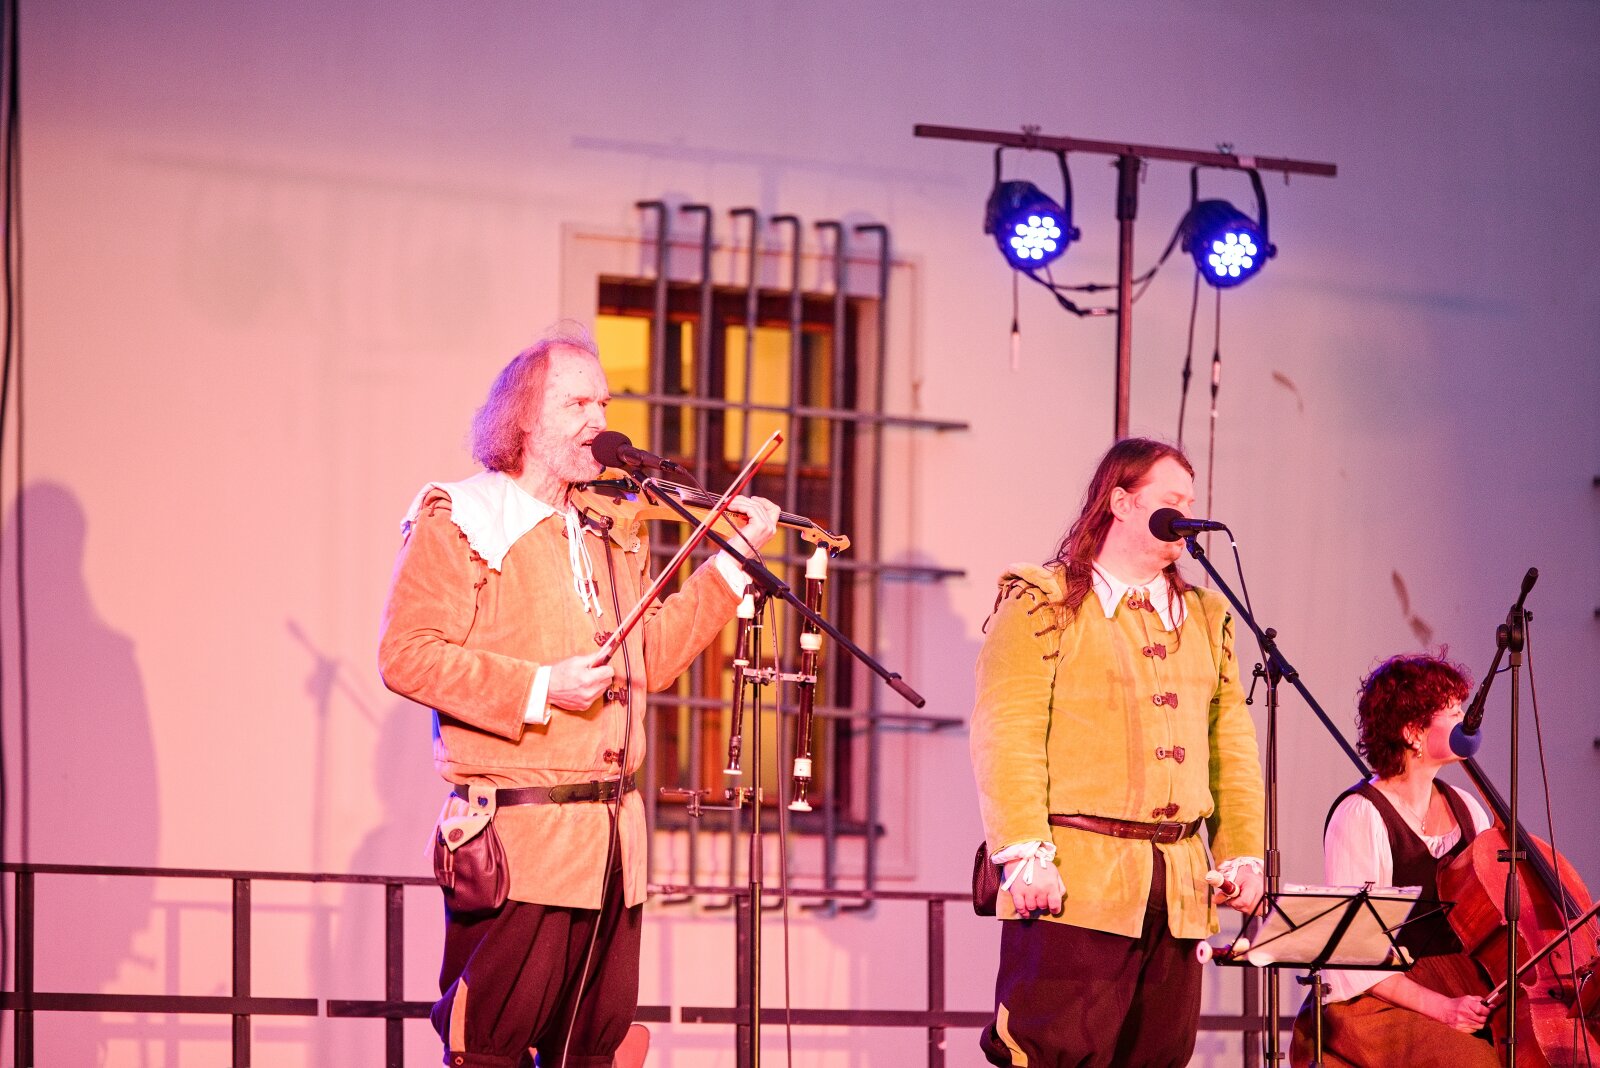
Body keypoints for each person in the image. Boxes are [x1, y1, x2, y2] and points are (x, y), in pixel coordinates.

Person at [378, 323, 779, 1068]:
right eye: (577, 405)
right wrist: (541, 687)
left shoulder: (605, 530)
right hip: (519, 845)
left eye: (603, 403)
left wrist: (732, 566)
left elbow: (650, 658)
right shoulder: (461, 517)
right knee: (489, 1047)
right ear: (524, 419)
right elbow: (407, 657)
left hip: (613, 849)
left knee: (594, 1054)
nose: (599, 421)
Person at [970, 436, 1266, 1068]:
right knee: (1055, 1053)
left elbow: (1231, 745)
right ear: (1122, 503)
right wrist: (1023, 853)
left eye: (1191, 503)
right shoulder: (1043, 601)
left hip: (1179, 889)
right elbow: (1008, 732)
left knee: (1158, 1057)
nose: (1187, 514)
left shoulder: (1204, 616)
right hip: (1077, 884)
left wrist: (1242, 851)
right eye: (1172, 500)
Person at [1289, 654, 1498, 1068]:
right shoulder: (1361, 814)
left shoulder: (1468, 808)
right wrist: (1442, 1008)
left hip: (1458, 984)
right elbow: (1356, 957)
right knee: (1474, 1062)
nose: (1465, 717)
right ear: (1412, 732)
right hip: (1380, 999)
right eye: (1451, 710)